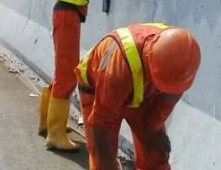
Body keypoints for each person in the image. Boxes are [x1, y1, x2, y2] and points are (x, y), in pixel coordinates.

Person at [40, 0, 148, 152]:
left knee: (62, 70)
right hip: (67, 15)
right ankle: (55, 135)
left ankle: (48, 123)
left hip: (68, 14)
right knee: (67, 73)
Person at [76, 23, 201, 170]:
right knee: (102, 158)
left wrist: (152, 129)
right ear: (150, 61)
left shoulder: (179, 61)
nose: (169, 92)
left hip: (140, 91)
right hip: (98, 88)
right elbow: (100, 124)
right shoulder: (118, 70)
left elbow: (164, 103)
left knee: (155, 153)